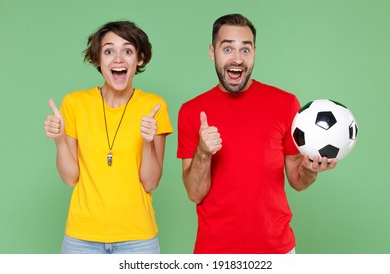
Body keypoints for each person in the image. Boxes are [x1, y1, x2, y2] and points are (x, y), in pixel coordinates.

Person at [177, 13, 337, 254]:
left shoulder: (285, 104)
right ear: (213, 53)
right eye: (227, 48)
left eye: (245, 50)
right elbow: (194, 193)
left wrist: (310, 171)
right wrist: (203, 152)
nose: (237, 59)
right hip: (215, 252)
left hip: (276, 251)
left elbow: (297, 180)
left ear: (254, 53)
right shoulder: (191, 111)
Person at [44, 21, 172, 254]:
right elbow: (70, 178)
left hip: (138, 239)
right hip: (81, 239)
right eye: (109, 51)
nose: (118, 59)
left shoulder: (154, 106)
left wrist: (147, 141)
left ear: (139, 59)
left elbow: (151, 182)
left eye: (128, 51)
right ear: (97, 59)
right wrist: (60, 139)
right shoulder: (75, 103)